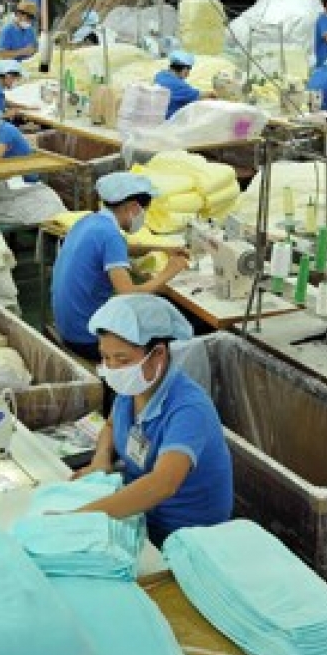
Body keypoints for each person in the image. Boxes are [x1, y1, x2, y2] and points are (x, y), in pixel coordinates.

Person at [73, 294, 233, 548]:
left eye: (122, 360)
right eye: (105, 357)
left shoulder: (188, 409)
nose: (112, 368)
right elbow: (113, 425)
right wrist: (100, 460)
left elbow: (162, 484)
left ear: (157, 354)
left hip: (185, 538)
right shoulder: (132, 389)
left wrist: (78, 518)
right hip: (144, 517)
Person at [50, 172, 188, 363]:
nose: (143, 217)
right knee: (171, 333)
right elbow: (128, 294)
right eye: (143, 211)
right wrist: (168, 273)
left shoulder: (90, 222)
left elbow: (121, 247)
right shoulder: (110, 235)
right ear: (132, 207)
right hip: (88, 339)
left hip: (69, 327)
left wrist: (161, 248)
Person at [154, 51, 215, 119]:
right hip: (170, 122)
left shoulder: (160, 75)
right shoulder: (179, 86)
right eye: (189, 69)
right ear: (185, 69)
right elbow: (201, 96)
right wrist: (217, 93)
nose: (188, 74)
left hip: (159, 116)